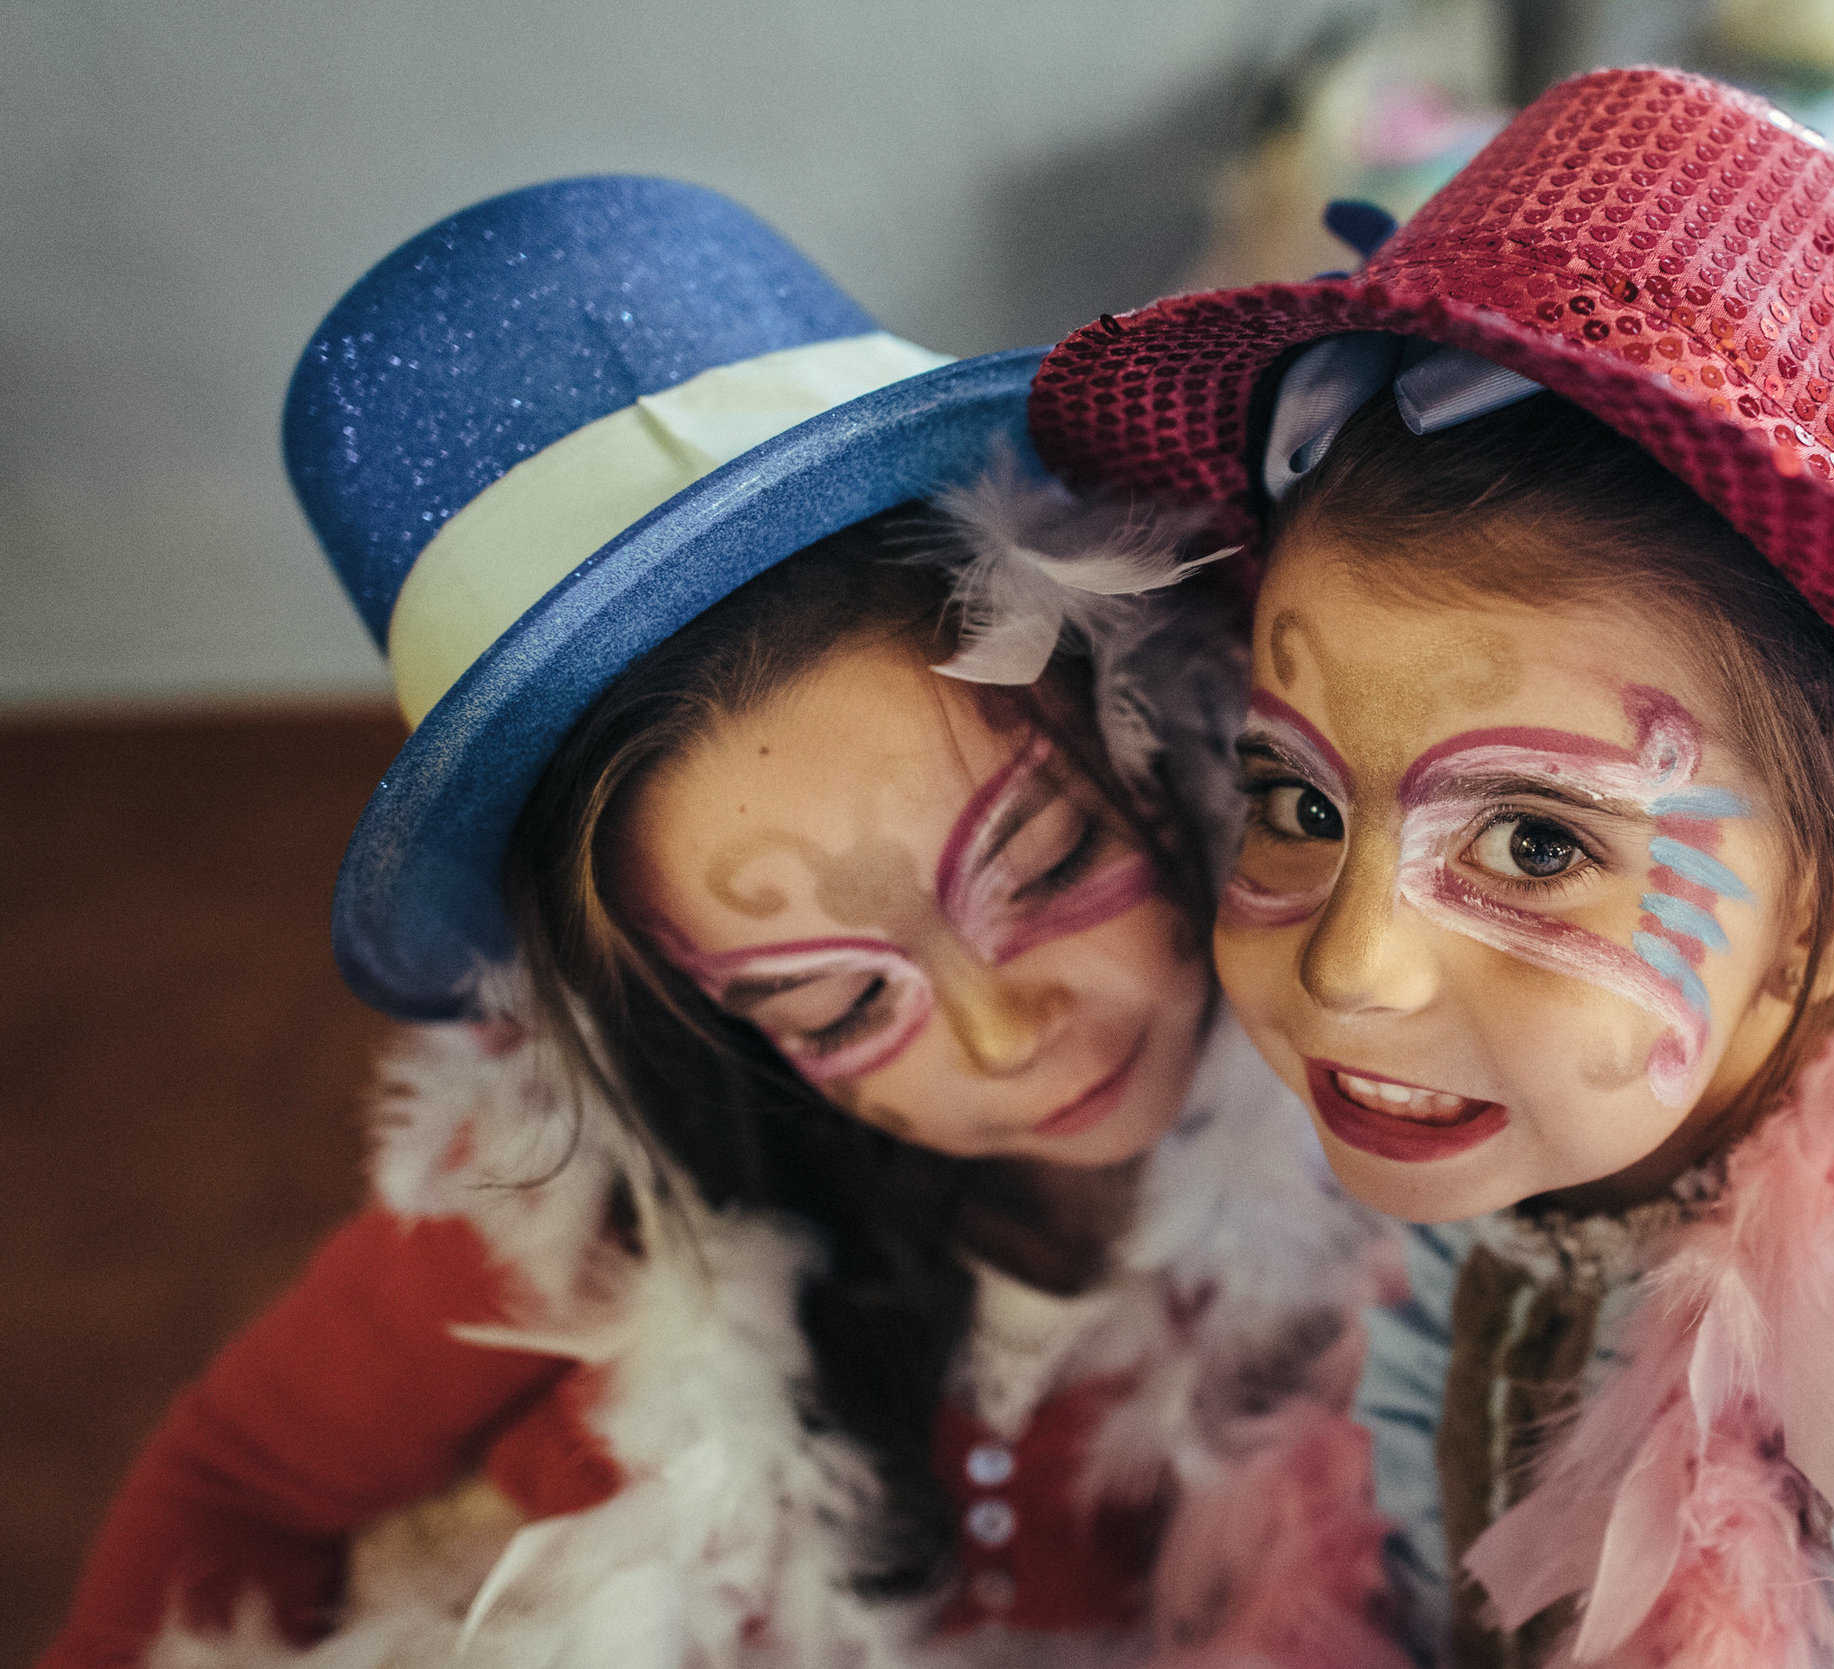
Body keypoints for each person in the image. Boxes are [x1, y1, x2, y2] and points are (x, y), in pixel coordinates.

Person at [1026, 68, 1834, 1669]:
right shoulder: (1436, 1173)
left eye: (1536, 839)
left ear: (1833, 909)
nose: (1352, 966)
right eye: (1297, 800)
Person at [41, 178, 1394, 1669]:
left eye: (1047, 859)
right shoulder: (572, 1194)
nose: (1007, 1033)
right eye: (832, 1007)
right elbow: (235, 1478)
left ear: (1137, 712)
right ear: (682, 1000)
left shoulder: (1403, 1110)